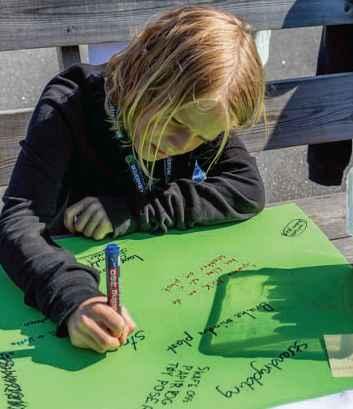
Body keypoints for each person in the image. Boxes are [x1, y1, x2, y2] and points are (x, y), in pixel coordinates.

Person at [0, 5, 266, 354]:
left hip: (163, 285)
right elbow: (20, 220)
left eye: (202, 139)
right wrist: (74, 298)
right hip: (68, 262)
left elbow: (247, 189)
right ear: (148, 76)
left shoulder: (207, 108)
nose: (181, 146)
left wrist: (135, 211)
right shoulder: (70, 104)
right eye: (176, 125)